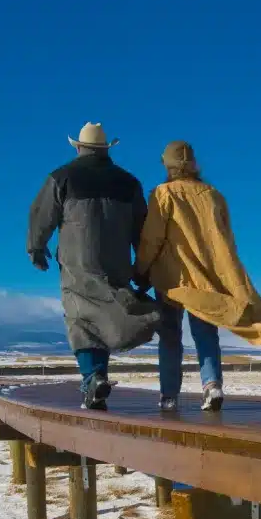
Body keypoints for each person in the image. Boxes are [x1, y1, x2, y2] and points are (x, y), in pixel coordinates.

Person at [135, 140, 261, 412]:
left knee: (170, 336)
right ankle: (212, 385)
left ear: (167, 165)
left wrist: (140, 269)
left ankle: (169, 396)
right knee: (206, 333)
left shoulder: (163, 194)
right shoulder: (213, 195)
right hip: (207, 278)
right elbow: (226, 240)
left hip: (172, 279)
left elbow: (152, 238)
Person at [27, 122, 161, 410]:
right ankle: (99, 377)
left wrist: (36, 246)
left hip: (79, 261)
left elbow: (41, 213)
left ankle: (92, 378)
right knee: (108, 313)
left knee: (81, 319)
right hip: (117, 260)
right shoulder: (129, 182)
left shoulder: (62, 177)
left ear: (78, 147)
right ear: (105, 148)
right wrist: (143, 267)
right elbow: (143, 229)